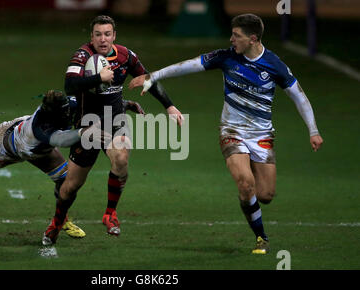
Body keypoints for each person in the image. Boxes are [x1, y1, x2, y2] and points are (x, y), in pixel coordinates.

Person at [129, 14, 324, 254]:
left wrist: (313, 131)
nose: (231, 39)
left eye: (237, 36)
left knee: (266, 195)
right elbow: (190, 64)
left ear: (253, 39)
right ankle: (261, 237)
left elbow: (299, 97)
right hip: (231, 131)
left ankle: (250, 185)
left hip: (261, 135)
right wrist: (154, 75)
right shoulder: (226, 57)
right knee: (245, 184)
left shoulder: (274, 65)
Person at [0, 89, 144, 245]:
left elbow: (95, 105)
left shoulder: (67, 105)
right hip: (10, 146)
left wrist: (124, 105)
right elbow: (61, 139)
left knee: (66, 180)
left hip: (42, 152)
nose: (68, 112)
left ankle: (61, 218)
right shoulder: (41, 125)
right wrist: (84, 132)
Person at [57, 15, 184, 237]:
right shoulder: (83, 55)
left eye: (107, 34)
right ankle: (56, 224)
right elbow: (69, 85)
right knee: (71, 186)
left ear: (114, 36)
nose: (102, 39)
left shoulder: (125, 55)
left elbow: (147, 78)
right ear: (92, 37)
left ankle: (110, 213)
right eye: (98, 34)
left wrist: (170, 106)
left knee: (121, 158)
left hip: (115, 120)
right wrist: (98, 78)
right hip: (88, 126)